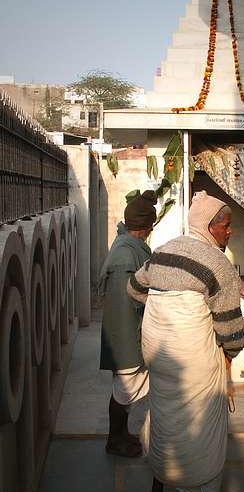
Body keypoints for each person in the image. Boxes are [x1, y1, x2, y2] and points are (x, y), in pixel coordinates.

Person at [127, 190, 244, 492]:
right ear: (209, 227)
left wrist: (164, 307)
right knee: (207, 429)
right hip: (194, 361)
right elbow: (231, 334)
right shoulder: (218, 264)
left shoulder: (163, 250)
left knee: (163, 417)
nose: (229, 232)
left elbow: (134, 289)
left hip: (160, 356)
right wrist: (229, 353)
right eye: (226, 225)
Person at [99, 190, 157, 457]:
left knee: (125, 389)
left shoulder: (126, 244)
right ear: (146, 227)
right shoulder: (125, 256)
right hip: (124, 336)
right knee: (124, 389)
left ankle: (121, 435)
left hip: (126, 333)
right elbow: (127, 305)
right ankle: (115, 441)